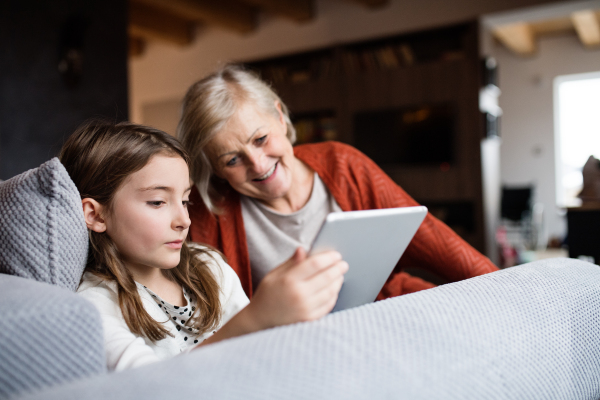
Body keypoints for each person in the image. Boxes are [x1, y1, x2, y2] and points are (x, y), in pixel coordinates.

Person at [178, 64, 498, 299]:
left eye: (260, 139)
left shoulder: (342, 163)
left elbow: (435, 241)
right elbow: (213, 320)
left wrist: (508, 290)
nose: (258, 165)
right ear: (216, 170)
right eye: (231, 160)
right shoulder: (206, 217)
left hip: (382, 306)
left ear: (279, 116)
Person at [59, 120, 348, 371]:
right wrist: (257, 318)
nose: (184, 220)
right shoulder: (92, 307)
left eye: (185, 200)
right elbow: (151, 387)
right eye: (158, 202)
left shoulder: (208, 265)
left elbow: (263, 355)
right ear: (96, 215)